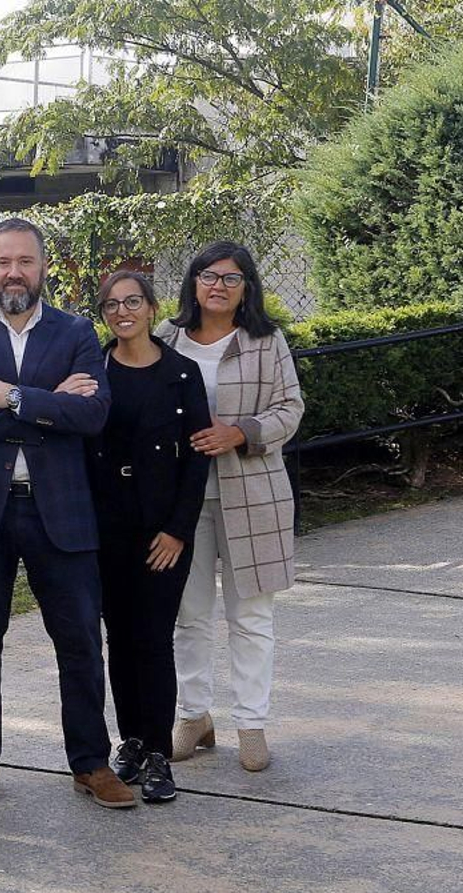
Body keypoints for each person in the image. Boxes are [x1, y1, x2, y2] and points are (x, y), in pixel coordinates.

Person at [0, 218, 132, 810]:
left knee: (77, 643)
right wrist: (51, 407)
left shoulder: (75, 331)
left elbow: (94, 415)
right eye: (3, 262)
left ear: (43, 267)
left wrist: (14, 397)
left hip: (61, 510)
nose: (14, 272)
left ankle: (91, 763)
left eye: (25, 261)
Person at [156, 242, 305, 772]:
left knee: (252, 617)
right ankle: (193, 716)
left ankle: (251, 724)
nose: (217, 285)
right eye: (208, 275)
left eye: (231, 278)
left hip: (253, 496)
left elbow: (291, 410)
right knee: (188, 615)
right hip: (180, 504)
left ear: (247, 289)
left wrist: (240, 432)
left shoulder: (266, 341)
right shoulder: (166, 340)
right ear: (193, 282)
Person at [86, 271, 212, 803]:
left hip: (163, 529)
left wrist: (179, 530)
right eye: (112, 305)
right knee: (121, 637)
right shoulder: (92, 370)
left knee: (154, 638)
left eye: (132, 301)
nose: (123, 312)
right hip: (107, 526)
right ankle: (131, 740)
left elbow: (197, 460)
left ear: (152, 307)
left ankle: (160, 752)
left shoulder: (183, 375)